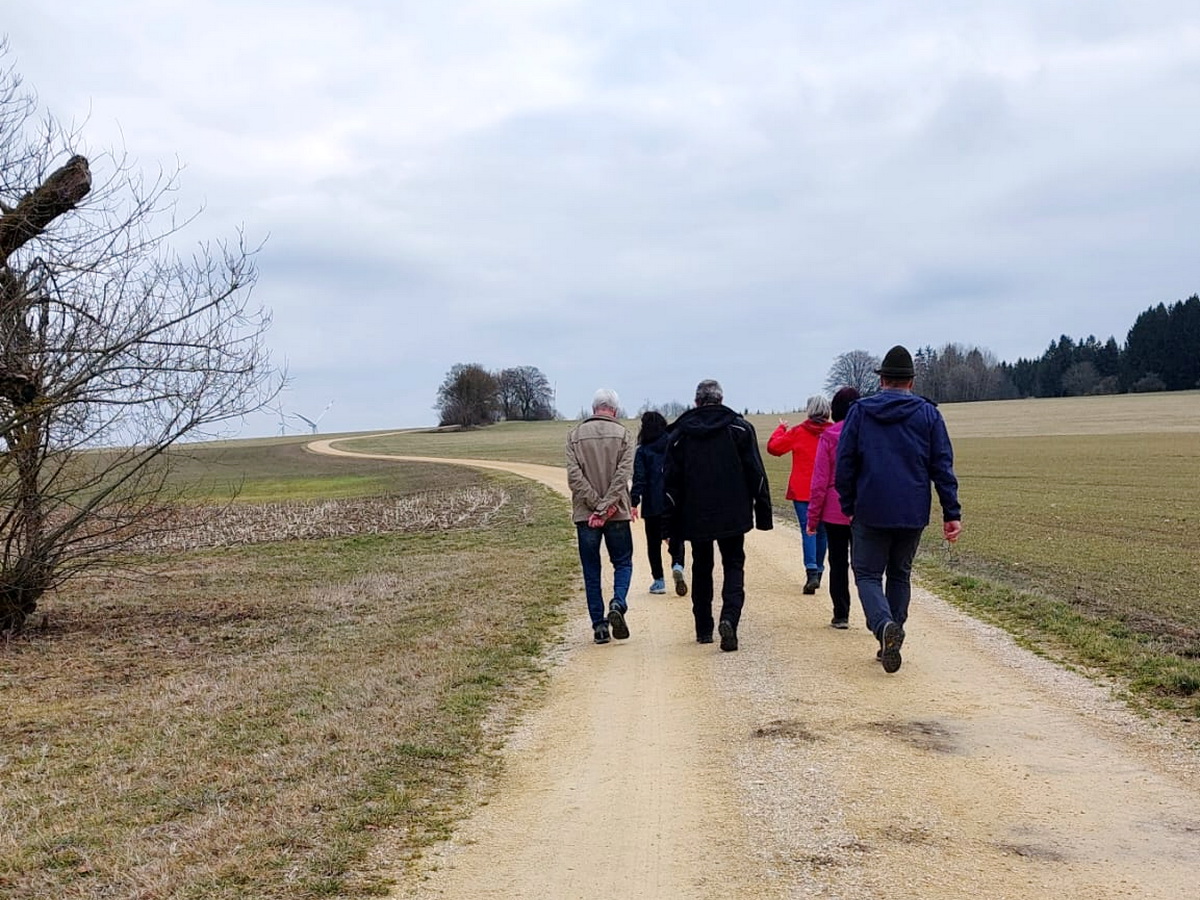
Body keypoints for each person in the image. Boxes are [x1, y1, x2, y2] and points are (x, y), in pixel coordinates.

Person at [835, 346, 962, 673]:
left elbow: (844, 465)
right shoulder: (929, 415)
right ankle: (893, 631)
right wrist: (952, 513)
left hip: (870, 508)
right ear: (911, 381)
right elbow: (942, 467)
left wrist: (848, 505)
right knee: (900, 574)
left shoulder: (860, 413)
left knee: (866, 574)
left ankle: (883, 628)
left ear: (883, 379)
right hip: (912, 510)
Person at [664, 379, 773, 651]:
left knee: (701, 567)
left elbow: (669, 483)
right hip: (733, 512)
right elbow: (756, 473)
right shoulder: (739, 428)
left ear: (696, 402)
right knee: (734, 565)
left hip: (695, 513)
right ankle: (729, 619)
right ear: (721, 400)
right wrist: (763, 514)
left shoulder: (679, 434)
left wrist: (669, 525)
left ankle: (703, 629)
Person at [566, 389, 636, 644]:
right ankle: (618, 602)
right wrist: (607, 508)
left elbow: (575, 478)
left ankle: (599, 626)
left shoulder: (574, 436)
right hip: (616, 514)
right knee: (623, 563)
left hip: (586, 516)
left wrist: (596, 508)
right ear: (614, 410)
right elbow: (623, 476)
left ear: (593, 408)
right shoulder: (625, 435)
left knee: (591, 570)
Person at [806, 386, 861, 629]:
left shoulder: (829, 437)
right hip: (863, 509)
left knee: (837, 563)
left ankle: (841, 613)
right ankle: (875, 613)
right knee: (865, 565)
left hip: (834, 508)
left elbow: (819, 482)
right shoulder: (868, 433)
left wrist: (812, 518)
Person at [768, 395, 832, 594]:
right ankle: (819, 570)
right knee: (823, 533)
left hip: (802, 490)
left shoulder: (798, 432)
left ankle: (811, 570)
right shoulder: (834, 432)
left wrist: (781, 428)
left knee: (808, 530)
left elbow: (774, 448)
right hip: (828, 490)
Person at [631, 410, 688, 596]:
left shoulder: (642, 451)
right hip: (673, 500)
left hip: (652, 503)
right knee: (676, 536)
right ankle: (677, 564)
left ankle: (658, 581)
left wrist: (634, 501)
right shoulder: (673, 444)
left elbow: (639, 478)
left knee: (653, 543)